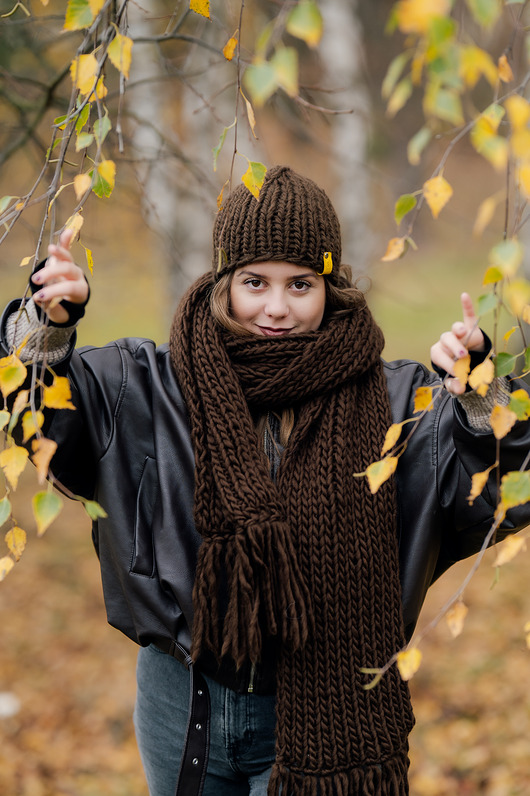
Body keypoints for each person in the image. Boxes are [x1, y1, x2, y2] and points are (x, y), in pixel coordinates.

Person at [2, 165, 529, 796]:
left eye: (300, 284)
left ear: (330, 287)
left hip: (322, 709)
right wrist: (49, 328)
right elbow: (37, 417)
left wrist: (480, 393)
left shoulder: (399, 401)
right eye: (255, 282)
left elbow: (507, 482)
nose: (277, 308)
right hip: (182, 702)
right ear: (224, 283)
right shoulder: (146, 384)